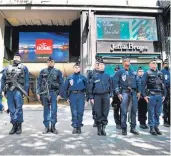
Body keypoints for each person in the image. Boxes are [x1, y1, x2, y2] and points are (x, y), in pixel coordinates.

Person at [1, 52, 29, 134]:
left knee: (19, 109)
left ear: (20, 59)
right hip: (9, 91)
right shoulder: (7, 67)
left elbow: (26, 81)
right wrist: (1, 90)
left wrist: (25, 92)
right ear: (13, 58)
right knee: (12, 110)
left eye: (18, 57)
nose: (16, 58)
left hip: (18, 90)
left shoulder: (24, 68)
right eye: (15, 57)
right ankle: (14, 125)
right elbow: (3, 80)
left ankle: (19, 125)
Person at [37, 56, 63, 134]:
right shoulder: (42, 71)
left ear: (54, 63)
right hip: (44, 93)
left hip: (54, 93)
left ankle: (53, 127)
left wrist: (60, 94)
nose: (50, 63)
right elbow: (39, 83)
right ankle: (46, 127)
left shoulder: (58, 71)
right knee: (46, 110)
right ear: (47, 62)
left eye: (52, 61)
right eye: (49, 61)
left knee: (54, 110)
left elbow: (61, 83)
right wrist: (38, 92)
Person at [114, 57, 140, 135]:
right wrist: (118, 93)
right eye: (125, 61)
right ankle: (124, 128)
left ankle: (133, 128)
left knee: (134, 111)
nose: (127, 63)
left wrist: (139, 92)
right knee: (124, 111)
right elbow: (115, 83)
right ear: (123, 63)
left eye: (128, 61)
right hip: (124, 92)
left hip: (134, 93)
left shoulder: (133, 72)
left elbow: (138, 82)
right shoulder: (119, 72)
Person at [88, 58, 112, 136]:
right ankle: (99, 128)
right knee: (98, 112)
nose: (101, 66)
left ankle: (103, 129)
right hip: (97, 96)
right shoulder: (94, 76)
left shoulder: (107, 76)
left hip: (106, 96)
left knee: (105, 112)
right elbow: (90, 87)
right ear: (98, 66)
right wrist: (91, 97)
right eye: (100, 65)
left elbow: (111, 87)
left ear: (104, 66)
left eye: (102, 65)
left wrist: (111, 96)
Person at [142, 59, 166, 135]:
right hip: (151, 95)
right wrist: (145, 96)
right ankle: (151, 127)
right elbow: (143, 85)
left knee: (158, 112)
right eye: (152, 63)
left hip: (159, 95)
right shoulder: (147, 73)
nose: (154, 64)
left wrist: (164, 95)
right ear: (149, 65)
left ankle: (156, 127)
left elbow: (164, 85)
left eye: (155, 63)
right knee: (151, 112)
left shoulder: (160, 73)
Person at [63, 62, 87, 134]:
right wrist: (66, 98)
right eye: (75, 67)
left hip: (81, 95)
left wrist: (87, 97)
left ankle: (79, 127)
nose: (76, 69)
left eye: (78, 67)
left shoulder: (83, 77)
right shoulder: (69, 77)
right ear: (73, 68)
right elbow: (65, 88)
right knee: (74, 112)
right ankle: (74, 127)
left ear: (79, 68)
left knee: (80, 112)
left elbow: (87, 87)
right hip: (72, 95)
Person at [87, 56, 99, 127]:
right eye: (96, 64)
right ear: (94, 65)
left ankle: (99, 121)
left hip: (100, 93)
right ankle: (95, 121)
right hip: (93, 94)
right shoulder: (90, 73)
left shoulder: (102, 73)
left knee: (100, 108)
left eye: (98, 64)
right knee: (94, 108)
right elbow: (88, 84)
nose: (97, 65)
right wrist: (89, 96)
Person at [111, 65, 121, 130]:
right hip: (115, 97)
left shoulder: (123, 77)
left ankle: (122, 122)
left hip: (123, 96)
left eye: (118, 70)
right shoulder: (112, 78)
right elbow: (111, 88)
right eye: (116, 70)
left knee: (123, 110)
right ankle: (117, 123)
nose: (117, 71)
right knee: (116, 110)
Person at [161, 59, 170, 127]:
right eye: (165, 63)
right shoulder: (162, 71)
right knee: (166, 106)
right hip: (166, 90)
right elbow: (161, 82)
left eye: (168, 63)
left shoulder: (169, 71)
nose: (167, 64)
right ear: (163, 64)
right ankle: (165, 121)